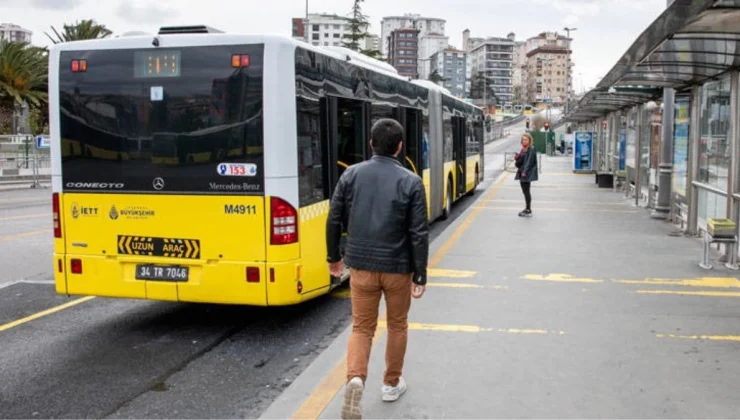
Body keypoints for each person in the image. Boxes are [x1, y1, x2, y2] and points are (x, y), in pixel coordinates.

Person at [326, 118, 429, 420]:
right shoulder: (411, 181)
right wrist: (420, 274)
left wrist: (334, 257)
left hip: (361, 267)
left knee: (361, 327)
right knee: (397, 325)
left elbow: (334, 218)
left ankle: (355, 378)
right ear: (399, 147)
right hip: (398, 268)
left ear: (371, 144)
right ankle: (391, 384)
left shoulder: (351, 175)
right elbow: (418, 232)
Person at [514, 132, 538, 217]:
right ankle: (527, 208)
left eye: (526, 140)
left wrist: (524, 172)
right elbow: (519, 163)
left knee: (527, 192)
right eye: (523, 140)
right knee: (525, 192)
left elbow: (529, 162)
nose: (524, 141)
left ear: (529, 141)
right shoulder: (523, 149)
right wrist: (517, 158)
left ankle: (528, 210)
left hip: (526, 174)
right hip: (522, 173)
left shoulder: (531, 149)